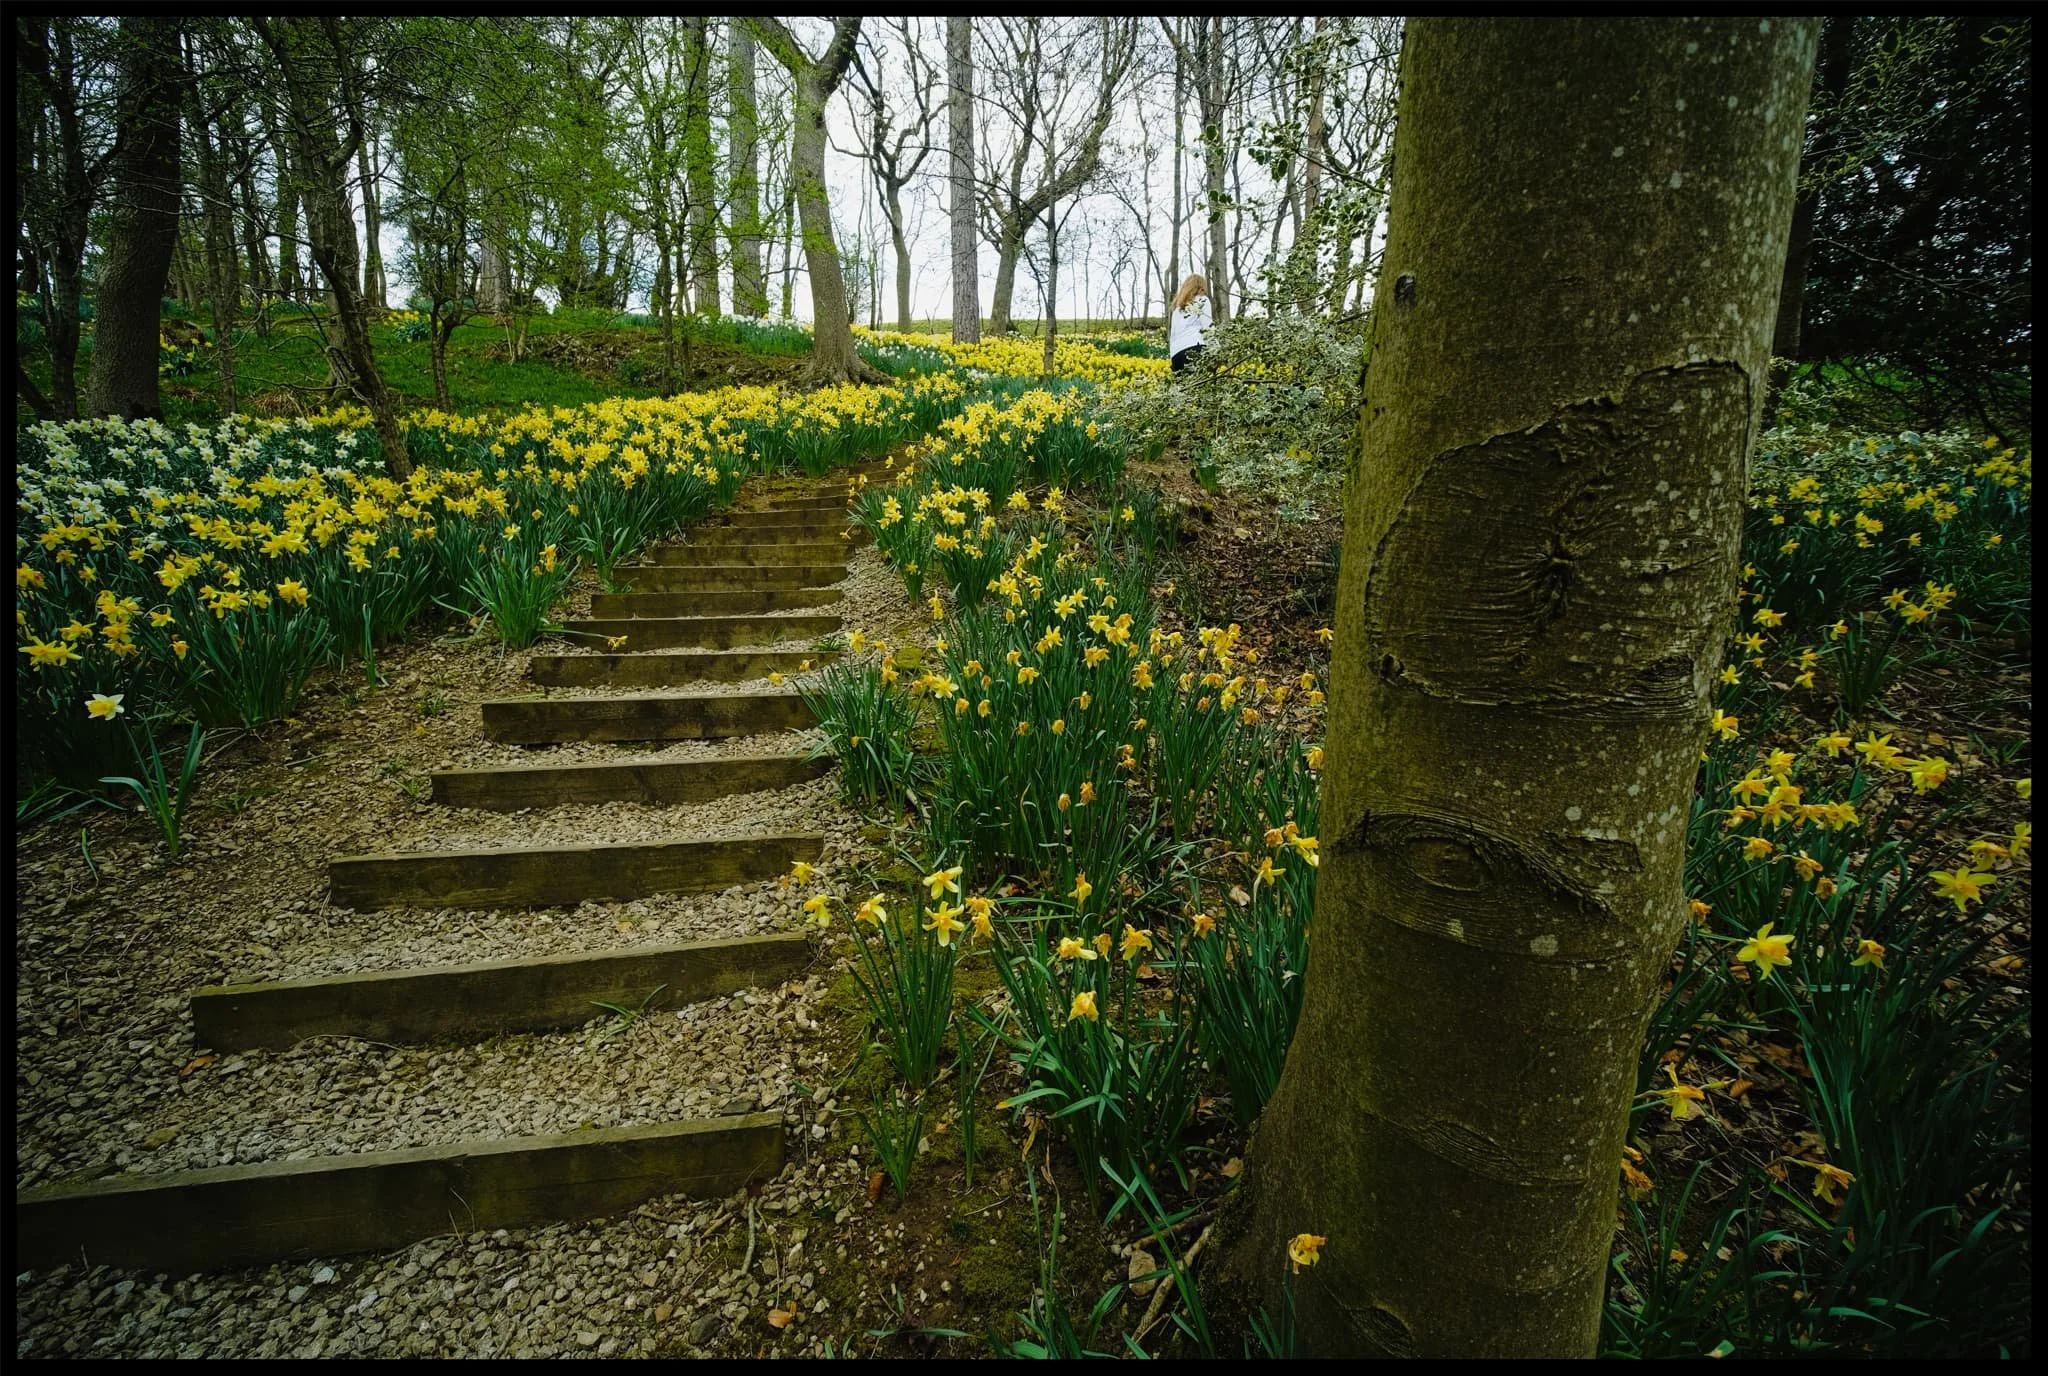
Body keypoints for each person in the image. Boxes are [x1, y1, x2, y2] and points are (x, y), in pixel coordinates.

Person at [1168, 273, 1211, 375]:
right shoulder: (1202, 299)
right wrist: (1217, 350)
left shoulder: (1177, 310)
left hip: (1176, 354)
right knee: (1202, 383)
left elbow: (1173, 336)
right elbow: (1208, 327)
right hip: (1195, 347)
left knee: (1185, 385)